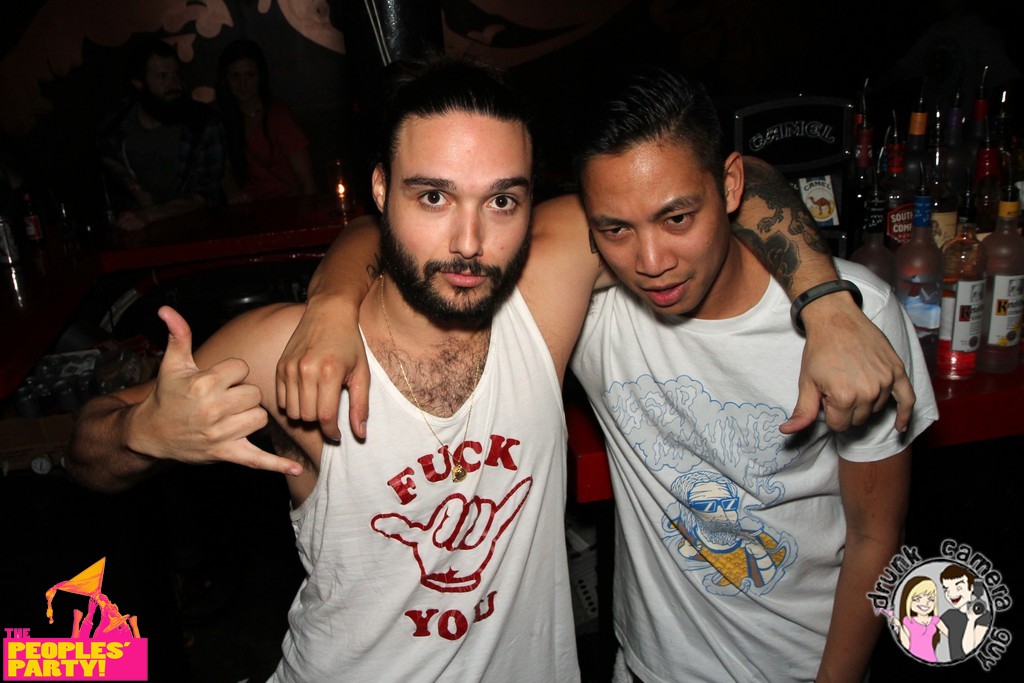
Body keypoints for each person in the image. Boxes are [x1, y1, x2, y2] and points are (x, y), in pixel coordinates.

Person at [277, 66, 936, 682]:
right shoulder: (591, 310)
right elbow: (386, 231)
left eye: (677, 218)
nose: (651, 260)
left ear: (729, 188)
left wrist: (825, 301)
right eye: (615, 228)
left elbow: (877, 537)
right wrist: (331, 305)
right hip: (646, 667)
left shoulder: (858, 320)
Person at [71, 58, 582, 681]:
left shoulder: (548, 293)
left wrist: (335, 293)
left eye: (502, 201)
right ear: (381, 190)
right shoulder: (289, 350)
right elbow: (86, 455)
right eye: (433, 197)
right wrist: (141, 432)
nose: (469, 241)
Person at [99, 39, 224, 230]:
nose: (174, 84)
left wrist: (150, 214)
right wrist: (136, 189)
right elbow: (105, 155)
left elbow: (202, 196)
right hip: (135, 228)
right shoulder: (118, 119)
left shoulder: (203, 123)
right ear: (139, 83)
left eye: (176, 74)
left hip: (195, 228)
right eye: (162, 77)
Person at [216, 39, 315, 204]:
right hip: (245, 210)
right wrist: (233, 194)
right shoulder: (218, 116)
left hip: (286, 205)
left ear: (260, 76)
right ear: (225, 78)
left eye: (250, 75)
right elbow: (220, 168)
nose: (242, 84)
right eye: (235, 76)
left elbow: (307, 181)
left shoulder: (278, 116)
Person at [939, 564, 992, 660]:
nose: (951, 594)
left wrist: (971, 620)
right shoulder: (949, 615)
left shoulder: (984, 616)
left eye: (958, 588)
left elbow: (969, 650)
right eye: (946, 589)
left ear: (971, 587)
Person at [891, 576, 946, 662]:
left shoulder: (935, 620)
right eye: (917, 599)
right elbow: (906, 645)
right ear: (908, 600)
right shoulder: (908, 621)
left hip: (931, 659)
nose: (925, 603)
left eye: (931, 599)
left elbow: (951, 635)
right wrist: (899, 626)